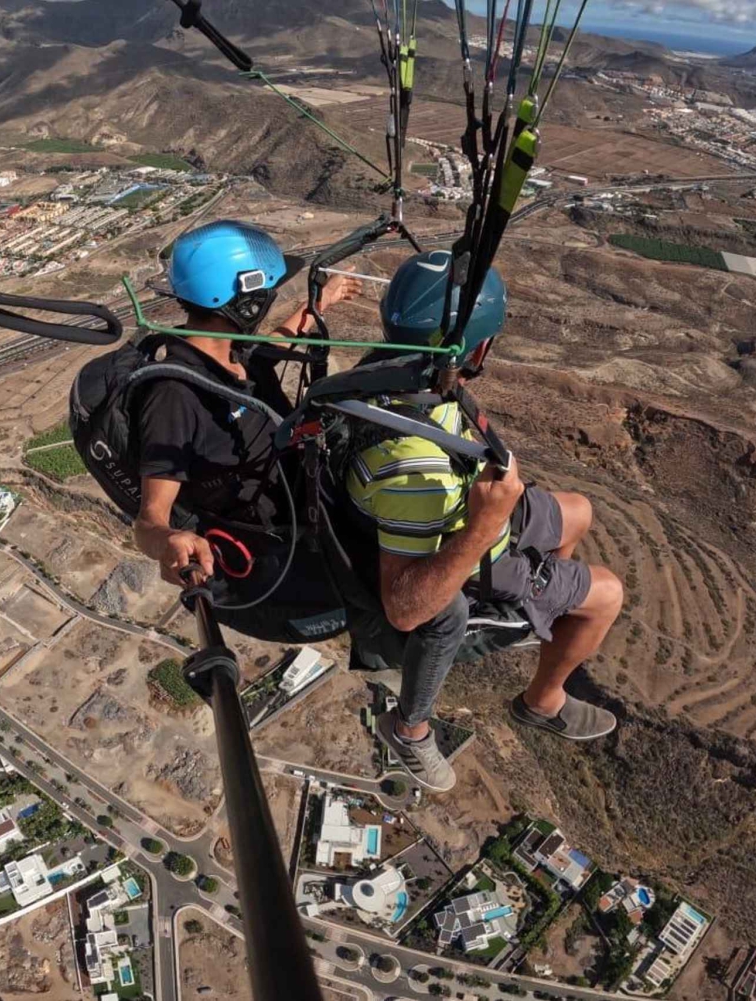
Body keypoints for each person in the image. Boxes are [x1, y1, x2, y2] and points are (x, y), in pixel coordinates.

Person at [341, 251, 624, 792]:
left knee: (580, 512)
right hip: (464, 540)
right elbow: (405, 609)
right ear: (477, 346)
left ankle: (538, 607)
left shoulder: (388, 373)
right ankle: (541, 700)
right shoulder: (413, 467)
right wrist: (485, 523)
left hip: (462, 507)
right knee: (608, 594)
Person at [131, 220, 362, 586]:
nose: (268, 299)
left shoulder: (231, 351)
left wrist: (319, 303)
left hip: (307, 492)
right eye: (266, 292)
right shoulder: (175, 396)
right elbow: (148, 521)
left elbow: (273, 344)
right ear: (244, 300)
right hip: (283, 542)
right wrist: (168, 540)